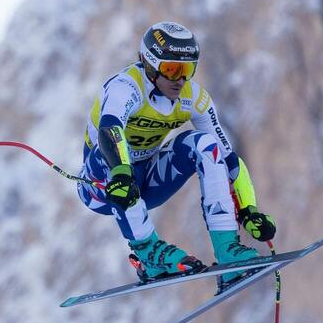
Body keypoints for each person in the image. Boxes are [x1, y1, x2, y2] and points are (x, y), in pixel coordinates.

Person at [77, 21, 276, 285]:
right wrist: (122, 172)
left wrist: (249, 208)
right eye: (171, 69)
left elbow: (229, 160)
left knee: (205, 144)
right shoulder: (125, 87)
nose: (180, 80)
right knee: (110, 155)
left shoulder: (193, 98)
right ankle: (148, 252)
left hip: (147, 180)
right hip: (104, 188)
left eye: (187, 69)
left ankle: (228, 249)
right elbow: (110, 128)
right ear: (149, 65)